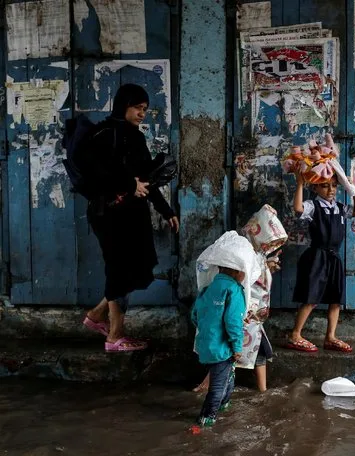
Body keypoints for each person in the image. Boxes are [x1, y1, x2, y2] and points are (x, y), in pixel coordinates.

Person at [81, 84, 179, 352]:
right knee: (118, 269)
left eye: (145, 109)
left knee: (135, 268)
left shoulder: (135, 137)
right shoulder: (105, 134)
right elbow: (97, 171)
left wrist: (165, 210)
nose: (142, 113)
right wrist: (128, 183)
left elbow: (146, 178)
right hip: (109, 213)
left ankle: (96, 316)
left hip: (130, 216)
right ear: (124, 105)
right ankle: (114, 336)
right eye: (137, 107)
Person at [193, 205, 288, 393]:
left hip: (255, 315)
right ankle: (214, 384)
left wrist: (268, 267)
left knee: (253, 350)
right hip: (242, 313)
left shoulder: (257, 255)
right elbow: (243, 283)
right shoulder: (241, 254)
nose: (269, 246)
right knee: (233, 349)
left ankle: (262, 390)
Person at [285, 172, 355, 353]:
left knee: (335, 299)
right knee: (311, 298)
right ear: (315, 188)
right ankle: (295, 334)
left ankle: (330, 336)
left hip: (334, 257)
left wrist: (352, 191)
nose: (331, 190)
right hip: (317, 256)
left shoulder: (339, 207)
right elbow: (298, 209)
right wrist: (299, 184)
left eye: (334, 186)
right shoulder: (313, 206)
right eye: (325, 185)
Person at [191, 266, 246, 427]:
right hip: (223, 346)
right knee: (217, 386)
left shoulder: (208, 288)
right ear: (237, 271)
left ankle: (225, 403)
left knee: (226, 373)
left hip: (206, 342)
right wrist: (237, 346)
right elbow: (234, 321)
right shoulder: (233, 289)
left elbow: (195, 314)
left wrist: (208, 330)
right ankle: (206, 419)